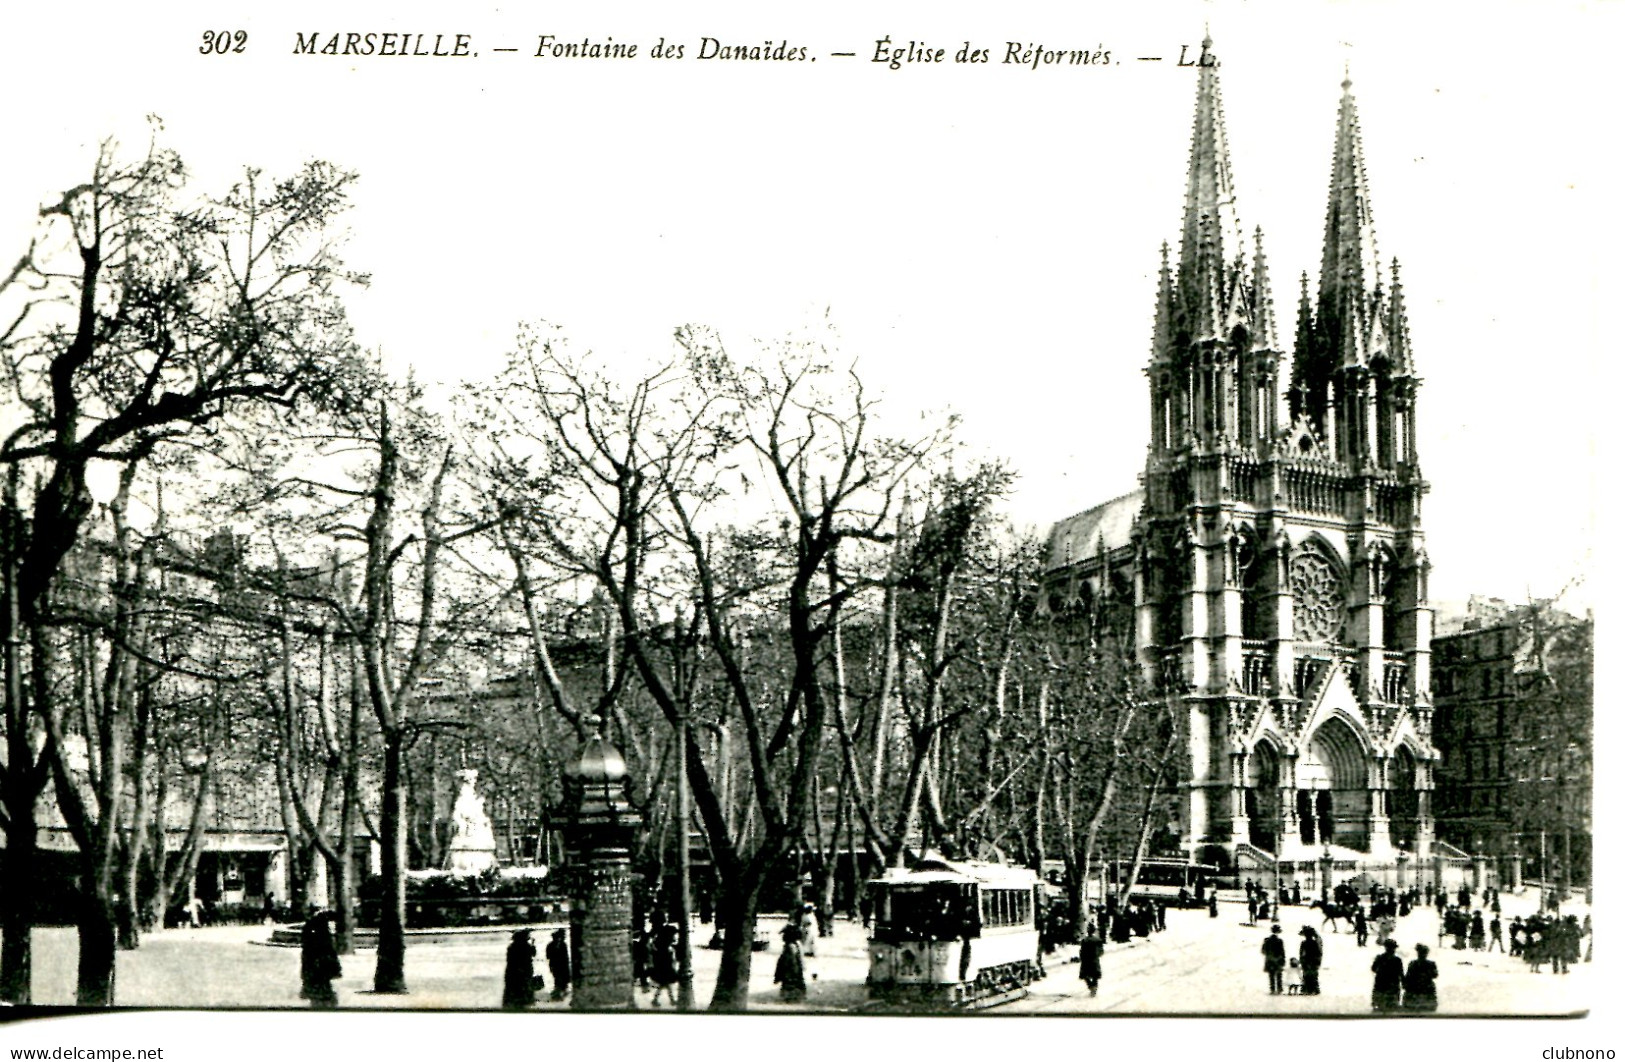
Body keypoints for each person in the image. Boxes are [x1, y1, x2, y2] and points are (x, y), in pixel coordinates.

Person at [299, 910, 342, 1008]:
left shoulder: (313, 925)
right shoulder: (321, 929)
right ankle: (322, 995)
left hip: (314, 959)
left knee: (318, 978)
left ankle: (319, 994)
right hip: (319, 959)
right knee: (321, 978)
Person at [502, 929, 539, 1010]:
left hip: (513, 972)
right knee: (524, 988)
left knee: (513, 989)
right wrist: (533, 944)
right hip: (524, 971)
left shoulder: (511, 947)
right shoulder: (526, 946)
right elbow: (533, 954)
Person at [649, 923, 680, 1006]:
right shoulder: (667, 948)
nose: (675, 936)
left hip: (661, 968)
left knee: (664, 984)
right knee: (665, 984)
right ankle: (670, 1000)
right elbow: (670, 960)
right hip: (666, 968)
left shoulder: (659, 945)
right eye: (674, 935)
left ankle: (660, 1000)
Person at [1403, 942, 1438, 1011]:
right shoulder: (1431, 964)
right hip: (1427, 989)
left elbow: (1408, 977)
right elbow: (1435, 975)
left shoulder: (1413, 963)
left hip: (1414, 990)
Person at [1371, 939, 1404, 1012]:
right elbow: (1401, 973)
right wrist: (1404, 983)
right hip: (1393, 985)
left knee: (1379, 1005)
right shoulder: (1397, 960)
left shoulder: (1380, 958)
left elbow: (1373, 968)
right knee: (1392, 1006)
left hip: (1381, 984)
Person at [774, 928, 806, 1002]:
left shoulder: (790, 947)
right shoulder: (797, 945)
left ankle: (791, 997)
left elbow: (789, 960)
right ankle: (795, 996)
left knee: (790, 983)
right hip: (795, 969)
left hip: (790, 969)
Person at [546, 929, 572, 1001]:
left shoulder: (562, 944)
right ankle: (558, 995)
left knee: (562, 980)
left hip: (561, 965)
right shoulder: (555, 945)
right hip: (557, 965)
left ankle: (561, 993)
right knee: (559, 980)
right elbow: (549, 956)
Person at [1078, 926, 1104, 996]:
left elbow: (1081, 951)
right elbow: (1101, 951)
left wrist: (1081, 958)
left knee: (1085, 975)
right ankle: (1094, 987)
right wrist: (1097, 955)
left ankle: (1090, 986)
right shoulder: (1098, 940)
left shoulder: (1084, 940)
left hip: (1086, 960)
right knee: (1095, 976)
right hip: (1094, 959)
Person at [1262, 924, 1287, 995]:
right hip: (1278, 959)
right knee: (1279, 975)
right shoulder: (1280, 941)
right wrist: (1283, 960)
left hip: (1269, 960)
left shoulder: (1267, 940)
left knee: (1271, 975)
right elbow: (1282, 952)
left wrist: (1269, 955)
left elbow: (1263, 951)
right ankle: (1279, 988)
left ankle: (1272, 989)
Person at [1298, 926, 1323, 996]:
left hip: (1306, 960)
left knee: (1306, 975)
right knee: (1313, 975)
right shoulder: (1315, 943)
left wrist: (1301, 961)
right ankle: (1314, 989)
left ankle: (1306, 989)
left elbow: (1301, 953)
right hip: (1313, 961)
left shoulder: (1304, 943)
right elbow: (1318, 953)